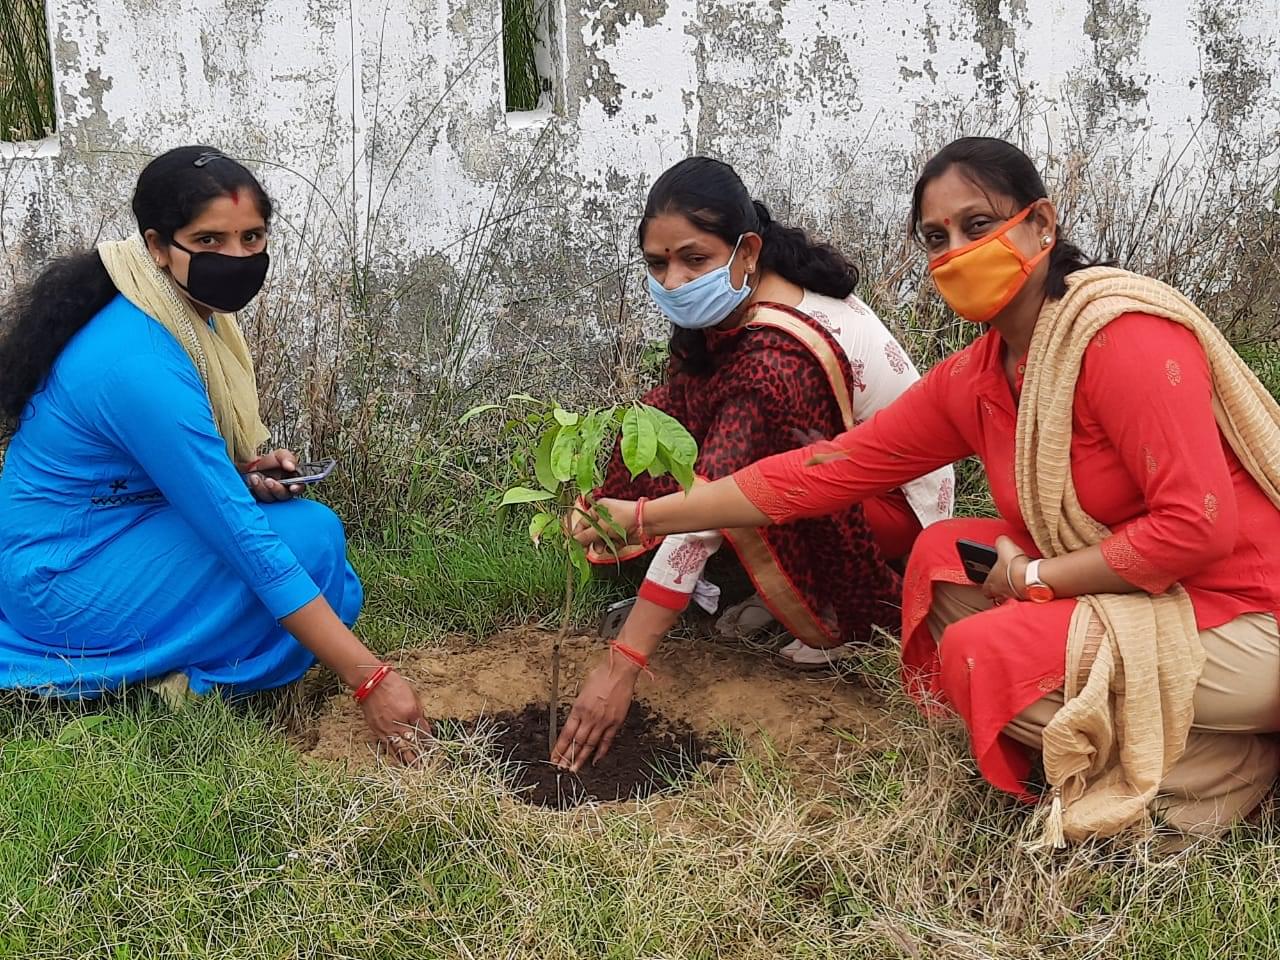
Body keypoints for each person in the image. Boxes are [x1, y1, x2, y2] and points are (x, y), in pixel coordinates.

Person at [570, 137, 1280, 842]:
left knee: (982, 655)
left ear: (1041, 223)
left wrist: (1037, 578)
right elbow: (819, 474)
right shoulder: (980, 375)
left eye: (978, 225)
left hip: (1246, 613)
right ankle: (1174, 740)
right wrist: (647, 515)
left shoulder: (1123, 342)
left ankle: (1216, 775)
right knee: (940, 565)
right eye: (936, 237)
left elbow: (1197, 530)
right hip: (1151, 588)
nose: (958, 252)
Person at [0, 147, 425, 761]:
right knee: (301, 548)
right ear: (157, 245)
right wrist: (370, 677)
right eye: (209, 239)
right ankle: (183, 686)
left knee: (313, 540)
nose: (238, 258)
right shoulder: (138, 361)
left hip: (112, 529)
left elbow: (147, 477)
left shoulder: (181, 314)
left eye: (252, 237)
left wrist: (238, 475)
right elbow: (240, 539)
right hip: (60, 580)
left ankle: (176, 658)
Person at [550, 157, 953, 770]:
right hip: (837, 463)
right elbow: (695, 416)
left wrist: (622, 665)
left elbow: (711, 507)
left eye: (694, 259)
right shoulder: (745, 300)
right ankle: (756, 580)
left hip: (895, 508)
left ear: (747, 251)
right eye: (658, 265)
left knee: (732, 488)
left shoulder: (777, 357)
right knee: (659, 423)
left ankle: (836, 614)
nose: (676, 282)